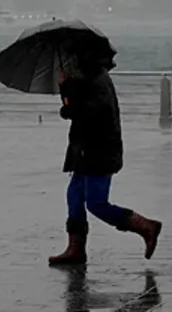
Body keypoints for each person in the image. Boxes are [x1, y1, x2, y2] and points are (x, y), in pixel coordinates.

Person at [48, 52, 162, 266]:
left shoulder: (96, 82)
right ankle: (76, 249)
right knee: (74, 197)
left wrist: (67, 106)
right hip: (84, 150)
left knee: (96, 203)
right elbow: (76, 106)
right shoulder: (87, 78)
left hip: (99, 151)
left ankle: (145, 226)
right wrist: (65, 87)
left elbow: (87, 112)